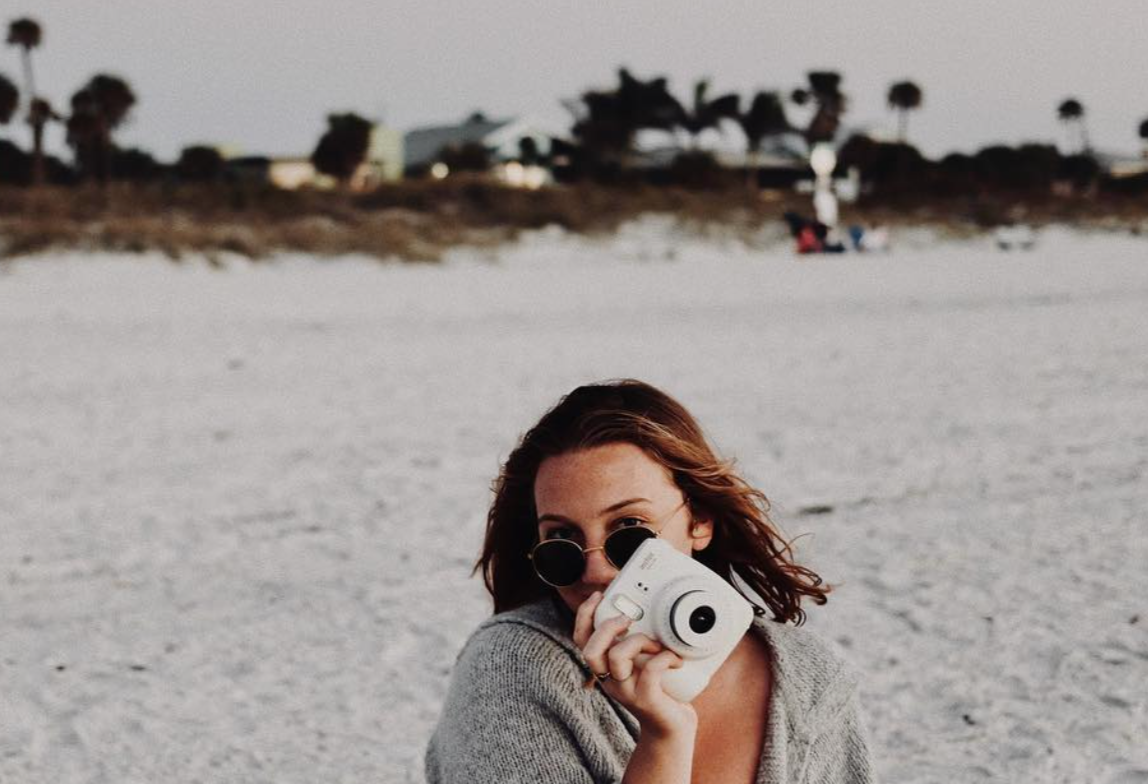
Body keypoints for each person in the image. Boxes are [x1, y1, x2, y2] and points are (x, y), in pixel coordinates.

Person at [426, 380, 875, 783]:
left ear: (700, 519)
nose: (597, 570)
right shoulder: (512, 668)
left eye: (629, 530)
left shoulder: (809, 678)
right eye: (561, 541)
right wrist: (664, 739)